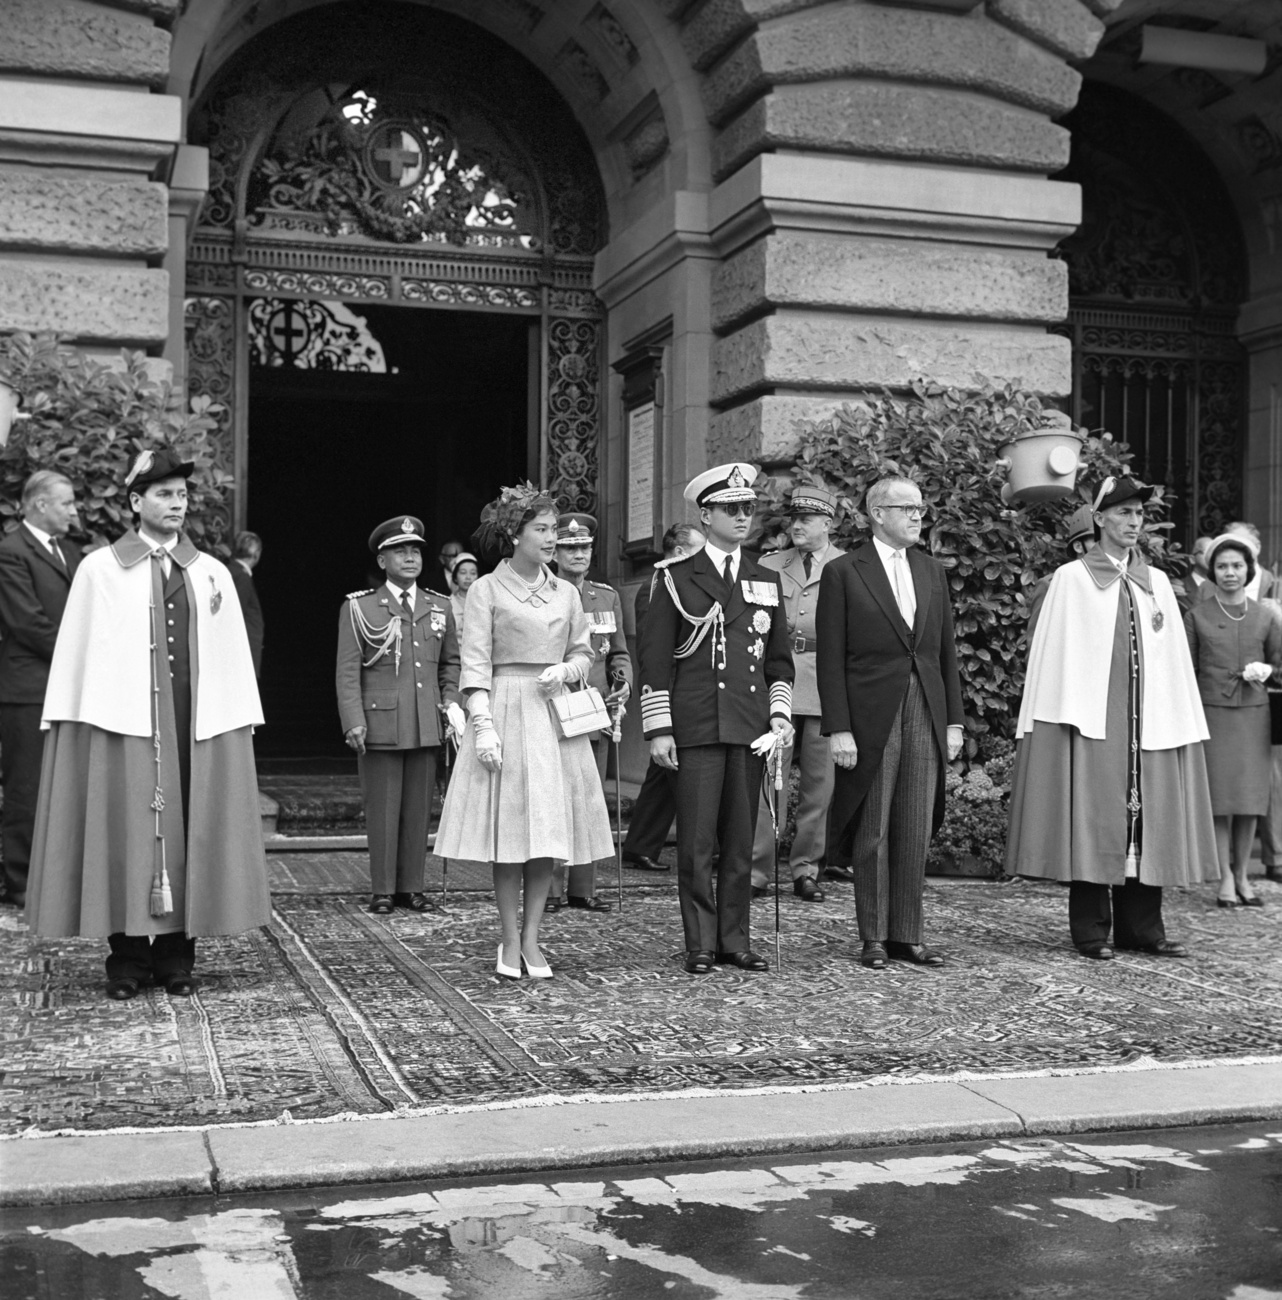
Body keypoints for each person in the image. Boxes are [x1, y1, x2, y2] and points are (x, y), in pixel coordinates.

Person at [25, 448, 267, 999]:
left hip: (192, 723)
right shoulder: (100, 569)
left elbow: (231, 655)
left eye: (182, 495)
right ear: (136, 502)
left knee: (191, 829)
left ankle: (178, 959)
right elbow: (81, 655)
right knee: (125, 833)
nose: (177, 504)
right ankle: (128, 960)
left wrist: (235, 721)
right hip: (126, 723)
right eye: (164, 494)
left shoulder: (211, 573)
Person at [1006, 475, 1217, 960]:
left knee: (1148, 823)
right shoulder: (1071, 580)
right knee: (1094, 818)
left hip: (1150, 723)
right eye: (1123, 512)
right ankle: (1092, 930)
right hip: (1095, 722)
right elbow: (1055, 659)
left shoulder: (1157, 582)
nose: (1133, 521)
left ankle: (1143, 928)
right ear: (1099, 518)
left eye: (1139, 514)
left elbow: (1172, 662)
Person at [434, 483, 612, 979]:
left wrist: (570, 671)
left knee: (547, 833)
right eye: (542, 529)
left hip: (552, 711)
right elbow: (475, 663)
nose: (552, 538)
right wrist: (483, 724)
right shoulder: (487, 590)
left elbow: (582, 649)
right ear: (515, 533)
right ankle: (508, 941)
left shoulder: (567, 592)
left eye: (554, 529)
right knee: (511, 833)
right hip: (507, 706)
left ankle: (534, 939)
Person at [638, 462, 794, 975]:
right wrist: (660, 728)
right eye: (731, 508)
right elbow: (656, 659)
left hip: (749, 728)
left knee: (739, 842)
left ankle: (735, 940)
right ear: (706, 516)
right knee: (698, 843)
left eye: (749, 508)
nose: (743, 516)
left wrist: (778, 716)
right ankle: (700, 941)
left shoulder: (765, 579)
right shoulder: (675, 578)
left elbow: (777, 660)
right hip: (698, 725)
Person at [816, 476, 964, 970]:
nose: (918, 516)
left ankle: (908, 934)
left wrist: (954, 723)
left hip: (925, 706)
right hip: (869, 716)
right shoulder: (844, 571)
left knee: (915, 825)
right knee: (873, 826)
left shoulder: (932, 570)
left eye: (921, 508)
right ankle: (874, 935)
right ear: (878, 513)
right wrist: (838, 728)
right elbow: (830, 659)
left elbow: (945, 653)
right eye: (907, 508)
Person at [336, 516, 462, 914]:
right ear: (383, 559)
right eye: (400, 551)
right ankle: (383, 890)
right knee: (384, 809)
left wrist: (451, 700)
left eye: (415, 551)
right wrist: (352, 718)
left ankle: (412, 887)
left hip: (426, 721)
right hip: (381, 722)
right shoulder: (360, 607)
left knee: (418, 810)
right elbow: (347, 669)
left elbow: (451, 664)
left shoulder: (438, 605)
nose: (410, 558)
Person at [750, 485, 845, 903]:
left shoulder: (849, 566)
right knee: (770, 781)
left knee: (819, 788)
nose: (797, 525)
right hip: (779, 685)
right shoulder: (769, 564)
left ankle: (807, 869)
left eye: (807, 519)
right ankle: (757, 868)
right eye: (795, 518)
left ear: (829, 523)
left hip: (827, 684)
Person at [1184, 533, 1281, 908]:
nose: (1229, 573)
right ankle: (1224, 876)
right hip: (1213, 714)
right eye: (1222, 566)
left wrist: (1267, 670)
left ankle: (1243, 874)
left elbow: (1281, 666)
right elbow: (1187, 671)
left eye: (1237, 566)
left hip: (1254, 717)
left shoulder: (1265, 616)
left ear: (1249, 570)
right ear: (1212, 571)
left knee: (1251, 799)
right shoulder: (1197, 615)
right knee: (1220, 800)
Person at [0, 471, 81, 908]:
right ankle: (21, 881)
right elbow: (27, 623)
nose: (74, 511)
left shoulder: (68, 552)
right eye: (66, 503)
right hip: (27, 687)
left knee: (63, 784)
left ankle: (55, 875)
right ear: (39, 505)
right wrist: (82, 659)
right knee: (26, 787)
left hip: (64, 685)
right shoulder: (10, 551)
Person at [545, 512, 631, 913]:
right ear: (554, 551)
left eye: (584, 547)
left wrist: (623, 680)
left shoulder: (606, 596)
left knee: (589, 800)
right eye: (569, 547)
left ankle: (583, 888)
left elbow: (619, 651)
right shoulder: (543, 592)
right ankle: (549, 889)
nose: (578, 554)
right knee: (553, 801)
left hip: (594, 710)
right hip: (552, 708)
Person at [621, 523, 704, 873]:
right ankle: (708, 848)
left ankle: (640, 844)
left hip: (684, 689)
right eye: (700, 550)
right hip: (671, 690)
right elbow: (658, 650)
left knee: (665, 770)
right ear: (680, 552)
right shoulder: (656, 585)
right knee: (685, 771)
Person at [229, 530, 265, 677]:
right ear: (255, 554)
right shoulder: (241, 576)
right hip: (242, 651)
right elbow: (235, 615)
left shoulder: (231, 571)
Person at [446, 551, 479, 640]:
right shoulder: (447, 604)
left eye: (472, 573)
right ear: (455, 577)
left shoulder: (485, 603)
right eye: (463, 572)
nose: (468, 577)